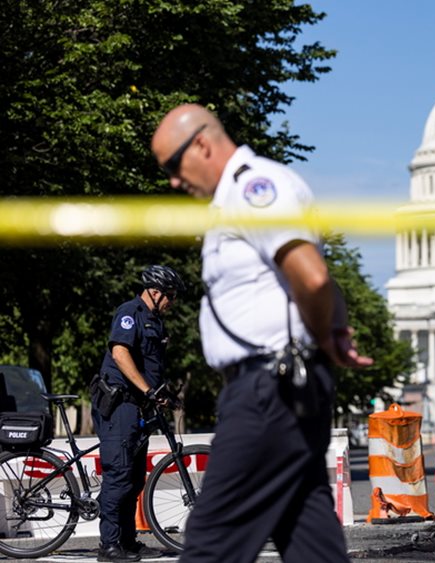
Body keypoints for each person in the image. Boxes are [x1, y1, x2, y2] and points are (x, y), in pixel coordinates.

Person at [150, 104, 373, 563]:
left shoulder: (254, 189)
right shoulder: (235, 199)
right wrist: (330, 328)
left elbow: (310, 277)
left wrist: (324, 335)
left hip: (267, 390)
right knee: (312, 544)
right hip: (280, 389)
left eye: (172, 165)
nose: (173, 181)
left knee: (211, 544)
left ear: (202, 145)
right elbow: (319, 278)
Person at [93, 264, 185, 562]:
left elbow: (150, 365)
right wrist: (147, 390)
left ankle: (129, 541)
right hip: (119, 404)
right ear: (155, 292)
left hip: (138, 407)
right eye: (170, 295)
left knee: (134, 478)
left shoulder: (156, 321)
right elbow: (120, 354)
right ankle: (108, 546)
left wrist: (165, 394)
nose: (173, 301)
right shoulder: (129, 313)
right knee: (118, 475)